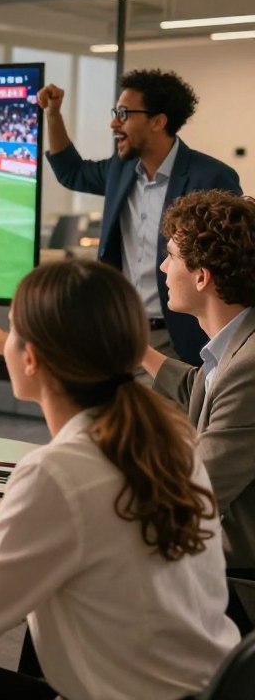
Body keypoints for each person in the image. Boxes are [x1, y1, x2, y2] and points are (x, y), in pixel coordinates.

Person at [0, 260, 238, 700]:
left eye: (13, 330)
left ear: (31, 357)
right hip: (205, 687)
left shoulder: (58, 472)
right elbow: (108, 538)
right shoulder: (170, 437)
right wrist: (9, 536)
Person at [38, 69, 241, 364]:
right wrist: (53, 115)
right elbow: (72, 172)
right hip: (120, 330)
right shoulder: (120, 171)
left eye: (123, 114)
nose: (113, 123)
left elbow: (232, 261)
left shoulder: (210, 176)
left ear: (158, 121)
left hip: (181, 340)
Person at [141, 191, 255, 572]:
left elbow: (191, 497)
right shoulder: (237, 347)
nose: (162, 268)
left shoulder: (248, 367)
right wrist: (136, 348)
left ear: (202, 277)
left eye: (171, 256)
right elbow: (200, 390)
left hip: (233, 580)